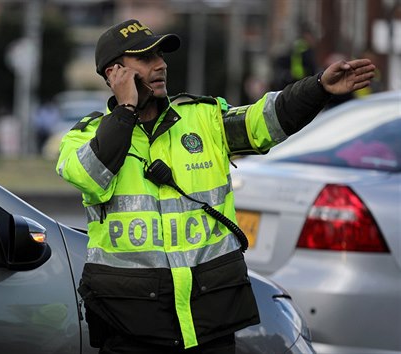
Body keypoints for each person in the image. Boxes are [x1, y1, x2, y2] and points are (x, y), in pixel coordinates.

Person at [56, 19, 376, 354]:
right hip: (131, 324)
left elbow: (264, 121)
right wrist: (125, 110)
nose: (161, 64)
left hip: (210, 319)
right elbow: (90, 174)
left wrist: (319, 89)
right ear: (114, 74)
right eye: (146, 58)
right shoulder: (86, 135)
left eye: (160, 56)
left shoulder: (203, 118)